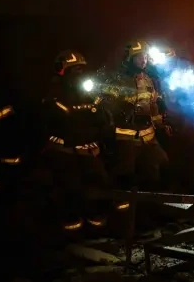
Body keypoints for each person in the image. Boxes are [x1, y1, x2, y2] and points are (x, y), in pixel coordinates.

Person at [40, 50, 114, 232]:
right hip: (64, 153)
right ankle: (69, 230)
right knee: (70, 189)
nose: (80, 73)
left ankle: (97, 224)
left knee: (101, 183)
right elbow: (46, 124)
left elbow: (102, 122)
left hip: (88, 152)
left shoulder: (89, 94)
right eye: (75, 69)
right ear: (63, 70)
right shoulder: (53, 95)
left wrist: (100, 142)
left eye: (81, 69)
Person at [101, 40, 171, 190]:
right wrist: (121, 109)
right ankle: (119, 201)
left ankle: (148, 202)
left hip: (147, 136)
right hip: (126, 135)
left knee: (160, 164)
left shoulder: (149, 80)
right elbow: (106, 105)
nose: (143, 60)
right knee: (124, 174)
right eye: (139, 56)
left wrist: (161, 125)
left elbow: (153, 107)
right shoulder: (118, 79)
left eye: (145, 56)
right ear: (129, 59)